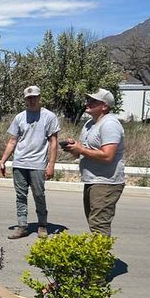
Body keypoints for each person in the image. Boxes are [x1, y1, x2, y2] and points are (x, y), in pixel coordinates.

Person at [0, 85, 60, 239]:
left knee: (39, 194)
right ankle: (22, 226)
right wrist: (3, 160)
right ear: (25, 99)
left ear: (39, 98)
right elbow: (12, 141)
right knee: (20, 196)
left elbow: (53, 142)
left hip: (37, 163)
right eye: (29, 98)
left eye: (34, 97)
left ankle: (42, 225)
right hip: (20, 163)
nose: (32, 100)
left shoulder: (49, 116)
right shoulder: (20, 117)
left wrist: (51, 164)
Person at [63, 88, 125, 236]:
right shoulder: (89, 124)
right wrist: (74, 148)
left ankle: (101, 252)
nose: (88, 103)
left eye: (93, 101)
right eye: (88, 100)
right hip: (92, 180)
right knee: (94, 222)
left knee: (99, 225)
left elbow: (107, 156)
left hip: (106, 182)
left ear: (105, 106)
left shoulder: (110, 124)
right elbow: (84, 151)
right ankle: (100, 250)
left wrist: (81, 149)